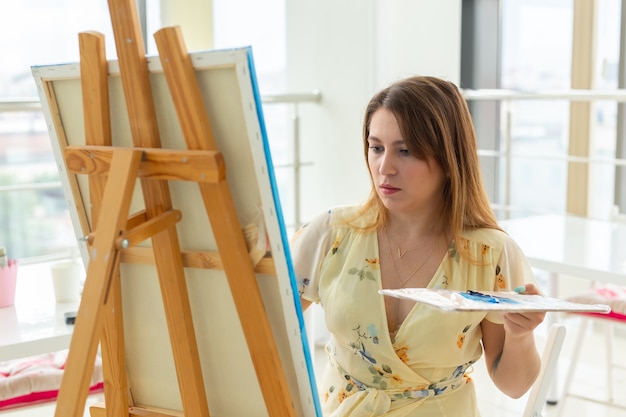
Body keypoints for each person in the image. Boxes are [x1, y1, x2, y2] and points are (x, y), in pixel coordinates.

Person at [289, 75, 545, 417]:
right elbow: (261, 327)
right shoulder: (332, 233)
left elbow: (514, 386)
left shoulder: (489, 254)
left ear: (449, 158)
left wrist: (520, 334)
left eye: (405, 151)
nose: (385, 168)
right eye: (376, 147)